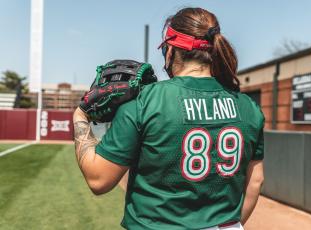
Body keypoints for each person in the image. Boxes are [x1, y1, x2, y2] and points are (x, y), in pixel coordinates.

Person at [73, 7, 264, 230]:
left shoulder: (144, 101)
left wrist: (80, 116)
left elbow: (98, 180)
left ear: (171, 49)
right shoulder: (249, 107)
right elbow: (255, 181)